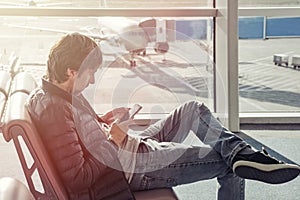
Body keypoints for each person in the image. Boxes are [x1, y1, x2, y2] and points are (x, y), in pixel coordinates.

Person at [27, 33, 300, 200]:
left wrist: (105, 121)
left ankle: (241, 151)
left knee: (192, 109)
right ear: (72, 71)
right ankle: (244, 155)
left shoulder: (58, 95)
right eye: (89, 73)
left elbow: (80, 137)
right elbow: (78, 177)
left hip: (127, 149)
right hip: (131, 168)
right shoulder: (54, 109)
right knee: (228, 162)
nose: (93, 79)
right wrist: (113, 141)